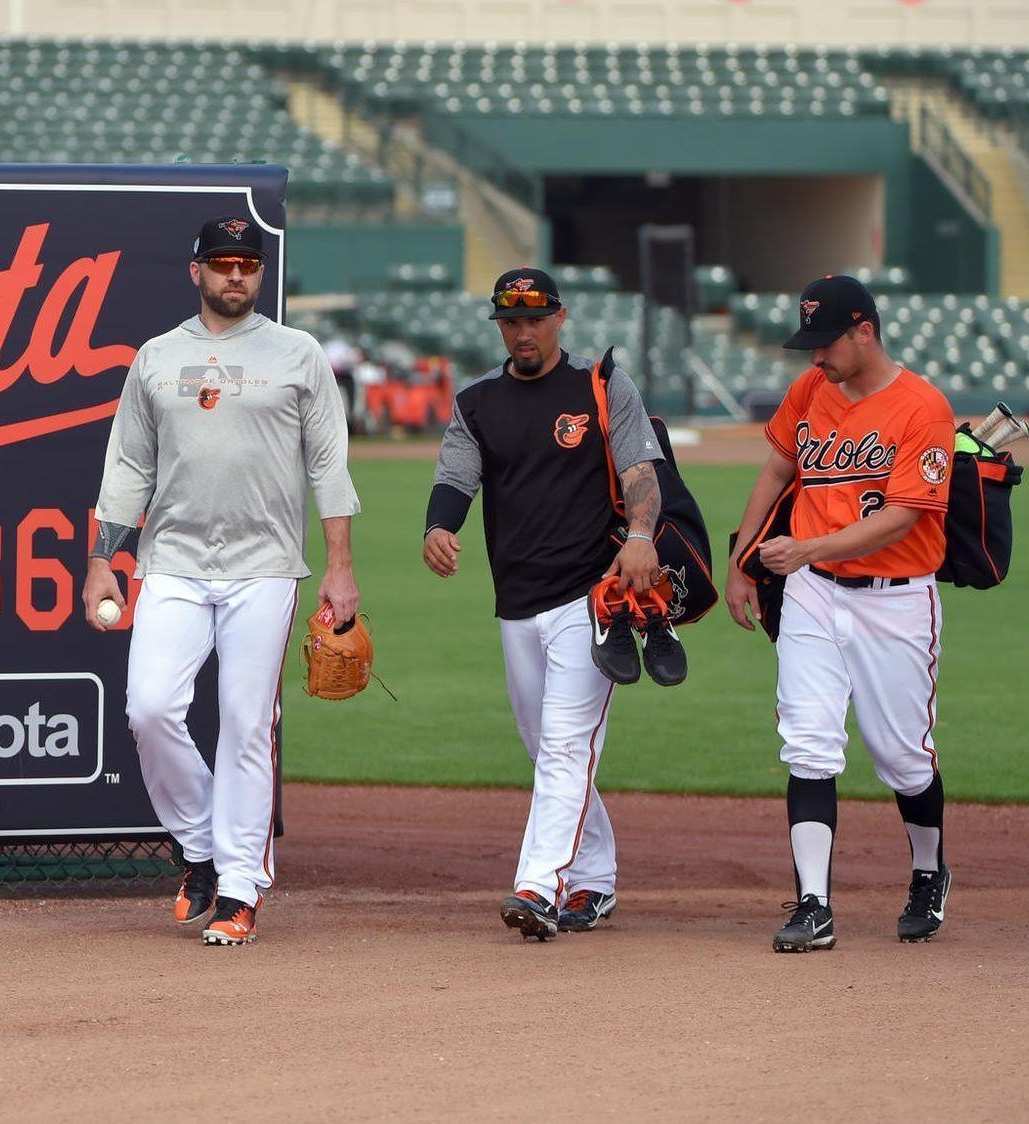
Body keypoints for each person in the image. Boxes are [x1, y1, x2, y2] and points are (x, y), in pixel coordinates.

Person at [84, 216, 361, 947]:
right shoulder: (156, 357)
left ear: (259, 274)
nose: (234, 275)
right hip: (171, 559)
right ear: (195, 271)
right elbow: (127, 469)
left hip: (264, 565)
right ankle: (200, 845)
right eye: (221, 263)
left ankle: (238, 888)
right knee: (148, 708)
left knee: (245, 724)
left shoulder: (297, 354)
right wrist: (100, 561)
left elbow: (328, 467)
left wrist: (339, 567)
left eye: (246, 264)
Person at [421, 267, 665, 941]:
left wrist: (641, 534)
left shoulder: (601, 386)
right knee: (549, 749)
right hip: (515, 603)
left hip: (591, 599)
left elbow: (642, 473)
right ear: (499, 326)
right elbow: (454, 479)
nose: (522, 330)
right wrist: (438, 528)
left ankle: (538, 886)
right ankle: (593, 879)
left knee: (563, 747)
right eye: (510, 320)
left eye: (534, 317)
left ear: (559, 318)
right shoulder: (477, 404)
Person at [723, 274, 957, 952]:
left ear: (864, 331)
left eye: (825, 343)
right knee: (807, 742)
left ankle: (925, 870)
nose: (813, 358)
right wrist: (743, 558)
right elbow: (774, 471)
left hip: (897, 599)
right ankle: (812, 905)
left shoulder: (922, 408)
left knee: (902, 758)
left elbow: (903, 518)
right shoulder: (809, 392)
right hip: (812, 593)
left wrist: (803, 547)